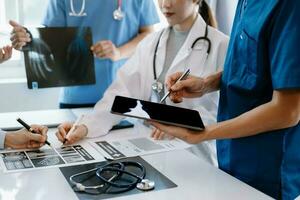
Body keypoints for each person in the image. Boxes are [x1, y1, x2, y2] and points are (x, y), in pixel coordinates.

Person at [150, 0, 300, 199]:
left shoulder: (289, 7)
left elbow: (288, 111)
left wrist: (203, 133)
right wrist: (206, 84)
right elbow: (252, 65)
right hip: (231, 159)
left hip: (267, 171)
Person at [56, 0, 229, 166]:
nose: (165, 4)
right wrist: (86, 126)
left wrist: (179, 120)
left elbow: (224, 114)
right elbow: (120, 96)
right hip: (151, 151)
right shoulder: (150, 44)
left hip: (196, 158)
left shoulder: (222, 45)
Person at [10, 0, 159, 108]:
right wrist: (26, 40)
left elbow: (148, 35)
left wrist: (119, 52)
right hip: (76, 98)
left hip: (124, 96)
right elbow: (52, 41)